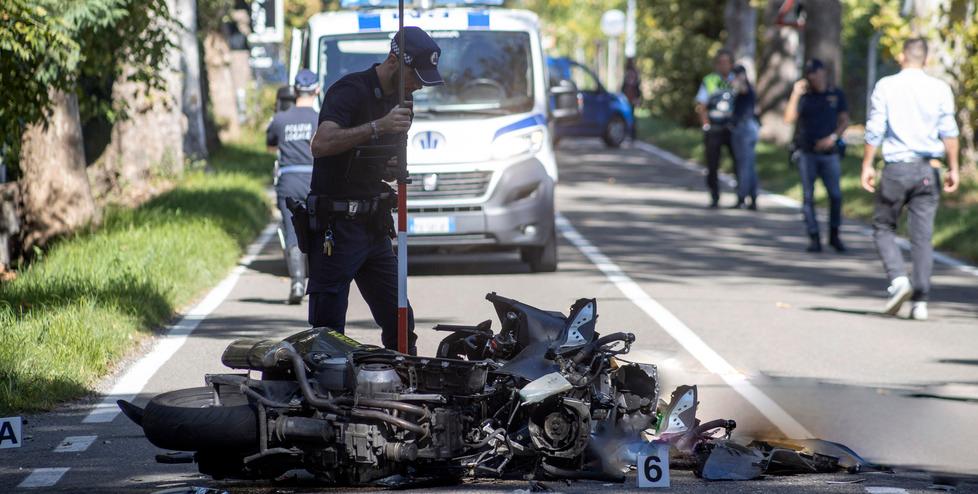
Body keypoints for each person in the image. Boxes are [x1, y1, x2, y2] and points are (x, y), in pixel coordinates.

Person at [307, 27, 444, 353]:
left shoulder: (404, 98)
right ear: (394, 60)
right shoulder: (349, 90)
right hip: (337, 228)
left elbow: (380, 159)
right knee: (328, 331)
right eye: (416, 76)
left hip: (374, 226)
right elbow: (321, 144)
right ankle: (322, 397)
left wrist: (393, 168)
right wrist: (378, 126)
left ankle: (399, 390)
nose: (418, 86)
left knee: (400, 321)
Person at [860, 38, 960, 320]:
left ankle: (898, 278)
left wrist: (867, 164)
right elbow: (949, 131)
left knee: (883, 226)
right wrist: (953, 167)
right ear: (926, 60)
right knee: (922, 236)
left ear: (902, 57)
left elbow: (875, 128)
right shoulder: (940, 88)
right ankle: (921, 301)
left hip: (896, 167)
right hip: (928, 169)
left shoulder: (886, 86)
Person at [784, 59, 849, 253]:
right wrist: (795, 94)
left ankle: (834, 234)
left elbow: (844, 120)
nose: (812, 77)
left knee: (835, 196)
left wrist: (833, 138)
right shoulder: (804, 96)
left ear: (823, 73)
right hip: (807, 152)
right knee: (807, 196)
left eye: (815, 73)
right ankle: (813, 236)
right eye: (809, 73)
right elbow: (788, 119)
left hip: (829, 153)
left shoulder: (836, 94)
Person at [266, 69, 320, 304]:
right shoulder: (321, 118)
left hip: (288, 181)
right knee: (319, 231)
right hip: (315, 180)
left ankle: (297, 284)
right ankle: (318, 285)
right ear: (317, 90)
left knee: (292, 231)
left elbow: (270, 146)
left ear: (295, 91)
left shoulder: (280, 119)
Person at [695, 49, 738, 208]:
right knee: (712, 163)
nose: (723, 66)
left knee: (738, 162)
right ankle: (714, 196)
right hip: (714, 127)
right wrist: (705, 125)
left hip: (733, 128)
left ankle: (741, 195)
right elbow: (701, 105)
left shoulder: (737, 80)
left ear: (732, 64)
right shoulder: (710, 80)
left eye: (726, 62)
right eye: (720, 62)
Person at [729, 64, 759, 210]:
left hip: (745, 128)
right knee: (747, 165)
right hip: (743, 127)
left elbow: (741, 88)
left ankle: (743, 197)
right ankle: (751, 197)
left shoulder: (745, 87)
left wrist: (737, 81)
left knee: (745, 165)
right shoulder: (743, 89)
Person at [621, 58, 641, 140]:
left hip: (630, 98)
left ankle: (631, 134)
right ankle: (631, 134)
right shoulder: (634, 73)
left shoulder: (630, 73)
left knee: (629, 116)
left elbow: (629, 87)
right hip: (630, 98)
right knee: (630, 116)